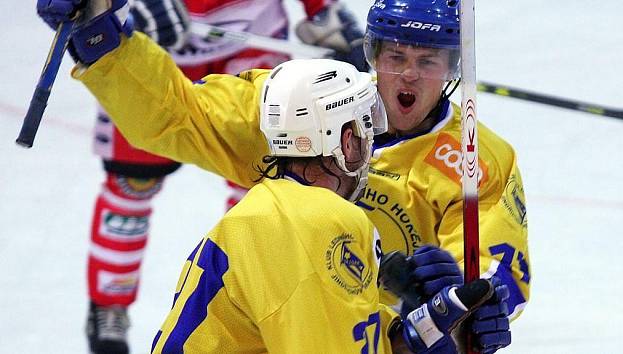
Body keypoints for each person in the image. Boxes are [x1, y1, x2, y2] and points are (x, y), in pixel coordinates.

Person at [37, 0, 520, 352]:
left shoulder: (478, 159)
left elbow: (499, 271)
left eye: (427, 61)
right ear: (373, 56)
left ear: (452, 67)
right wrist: (108, 45)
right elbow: (185, 114)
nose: (409, 75)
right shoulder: (303, 103)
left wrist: (475, 297)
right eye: (396, 57)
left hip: (367, 330)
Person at [53, 0, 369, 352]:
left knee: (267, 183)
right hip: (149, 37)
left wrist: (321, 10)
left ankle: (252, 296)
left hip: (252, 35)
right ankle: (109, 301)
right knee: (132, 183)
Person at [148, 57, 498, 354]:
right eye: (366, 129)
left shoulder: (275, 208)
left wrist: (410, 334)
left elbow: (332, 330)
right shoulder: (320, 221)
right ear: (346, 141)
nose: (369, 146)